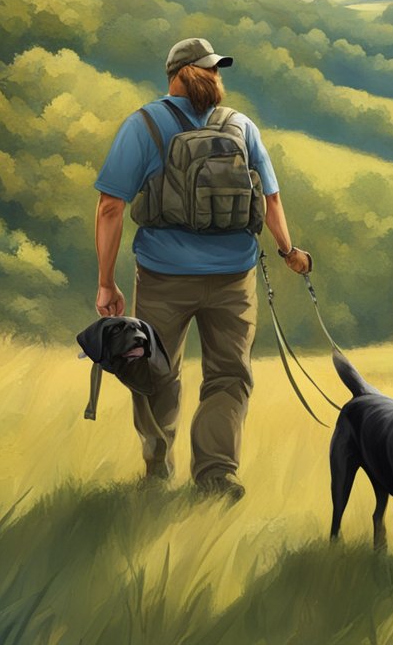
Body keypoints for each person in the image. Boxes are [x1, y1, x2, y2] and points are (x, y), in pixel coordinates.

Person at [93, 37, 311, 501]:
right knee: (229, 375)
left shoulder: (143, 125)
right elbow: (270, 197)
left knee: (153, 368)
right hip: (234, 276)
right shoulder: (241, 126)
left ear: (172, 74)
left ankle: (157, 469)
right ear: (207, 74)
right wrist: (289, 250)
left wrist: (106, 281)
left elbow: (111, 206)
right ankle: (216, 476)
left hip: (163, 274)